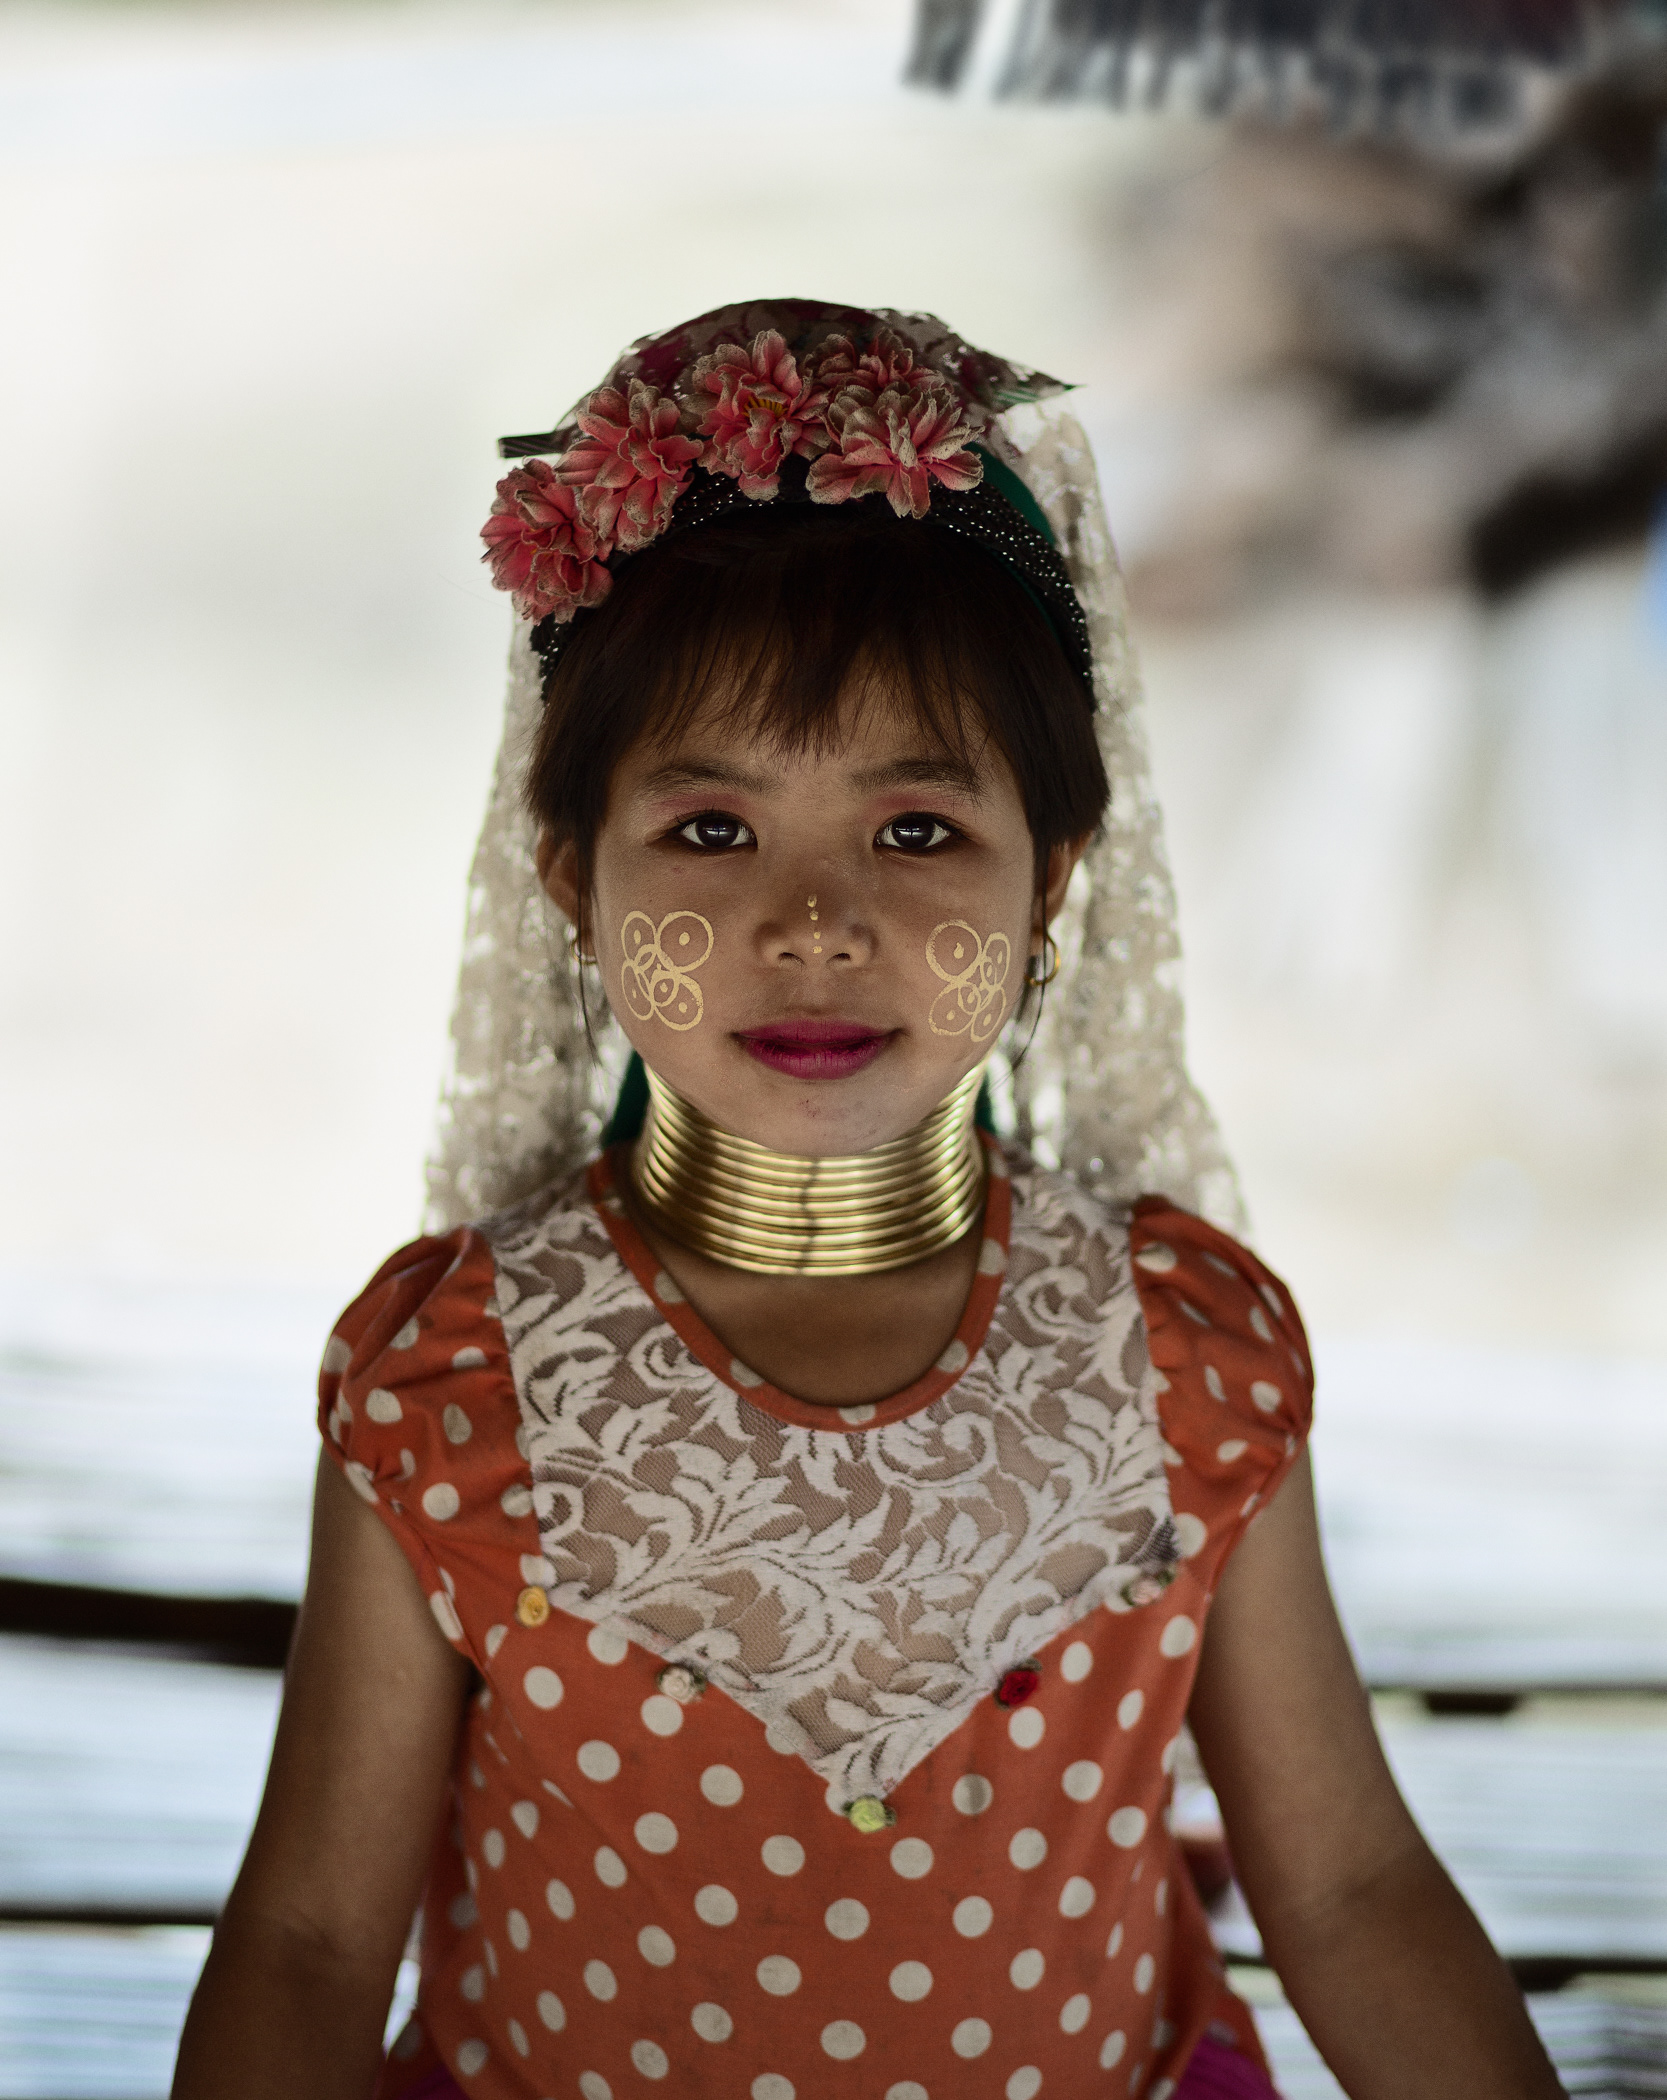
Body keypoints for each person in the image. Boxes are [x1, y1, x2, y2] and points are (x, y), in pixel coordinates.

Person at [172, 299, 1564, 2100]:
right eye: (711, 830)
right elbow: (307, 1939)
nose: (815, 925)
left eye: (917, 833)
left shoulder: (1180, 1361)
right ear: (569, 876)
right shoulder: (456, 1383)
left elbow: (1356, 1887)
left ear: (1053, 877)